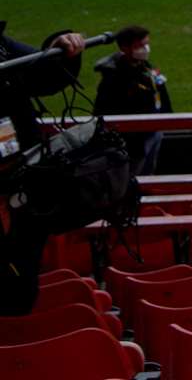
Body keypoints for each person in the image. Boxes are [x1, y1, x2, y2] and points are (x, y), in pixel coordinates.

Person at [0, 23, 86, 314]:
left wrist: (63, 48)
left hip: (19, 183)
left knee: (20, 281)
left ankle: (20, 342)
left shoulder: (2, 47)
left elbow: (46, 76)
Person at [93, 24, 172, 175]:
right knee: (130, 178)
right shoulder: (114, 78)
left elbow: (159, 91)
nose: (146, 49)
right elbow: (103, 110)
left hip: (153, 131)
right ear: (124, 48)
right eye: (140, 45)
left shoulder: (145, 67)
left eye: (147, 44)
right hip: (132, 140)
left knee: (148, 173)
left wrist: (167, 117)